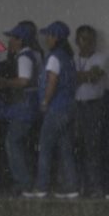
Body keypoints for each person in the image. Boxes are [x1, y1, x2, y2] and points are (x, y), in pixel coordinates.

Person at [29, 22, 80, 198]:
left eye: (49, 36)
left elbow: (52, 82)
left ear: (55, 38)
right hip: (69, 107)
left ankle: (41, 186)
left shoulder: (54, 58)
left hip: (56, 108)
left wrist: (45, 101)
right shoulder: (68, 57)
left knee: (45, 147)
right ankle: (71, 186)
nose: (46, 39)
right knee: (65, 148)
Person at [0, 22, 41, 195]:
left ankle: (23, 181)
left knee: (12, 142)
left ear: (21, 40)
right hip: (30, 105)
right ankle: (27, 179)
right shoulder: (36, 54)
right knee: (23, 143)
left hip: (24, 105)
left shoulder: (24, 56)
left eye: (13, 38)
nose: (10, 42)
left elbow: (24, 80)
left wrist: (6, 82)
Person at [73, 25, 108, 198]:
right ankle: (80, 185)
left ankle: (96, 186)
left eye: (90, 39)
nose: (87, 43)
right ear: (76, 41)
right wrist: (82, 76)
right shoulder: (72, 58)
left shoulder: (100, 58)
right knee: (76, 146)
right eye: (83, 39)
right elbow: (68, 78)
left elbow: (94, 76)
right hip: (76, 106)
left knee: (92, 147)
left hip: (94, 106)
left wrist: (76, 76)